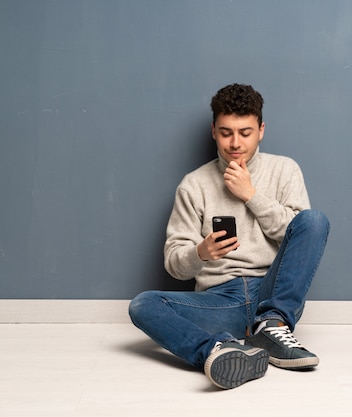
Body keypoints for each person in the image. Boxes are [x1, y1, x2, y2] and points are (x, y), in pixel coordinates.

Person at [129, 83, 329, 389]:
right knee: (142, 304)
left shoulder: (284, 170)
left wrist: (251, 195)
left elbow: (299, 235)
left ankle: (271, 324)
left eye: (245, 132)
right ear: (213, 131)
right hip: (221, 301)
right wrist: (201, 253)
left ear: (261, 130)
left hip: (273, 291)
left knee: (314, 220)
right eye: (226, 132)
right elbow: (173, 263)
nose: (235, 143)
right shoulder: (193, 185)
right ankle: (220, 351)